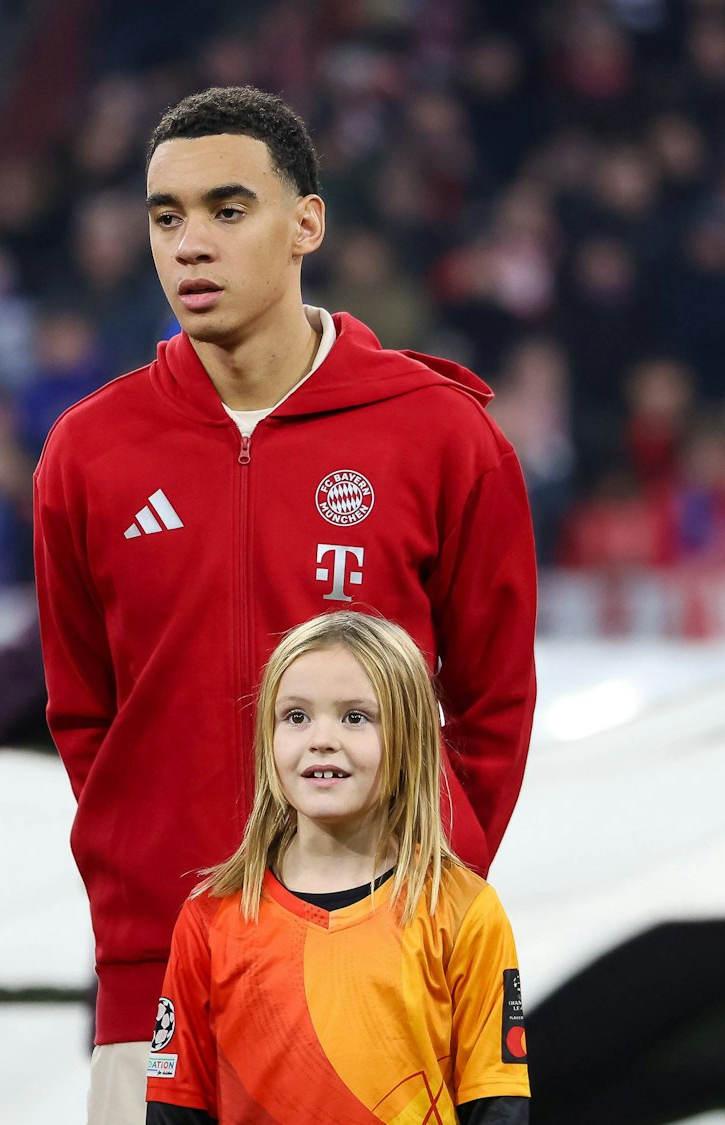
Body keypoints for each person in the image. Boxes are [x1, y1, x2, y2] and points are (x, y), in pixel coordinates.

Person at [35, 86, 538, 1122]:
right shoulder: (88, 450)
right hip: (155, 972)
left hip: (385, 963)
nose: (190, 244)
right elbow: (86, 714)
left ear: (306, 222)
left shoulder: (439, 435)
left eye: (227, 209)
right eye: (164, 217)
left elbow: (492, 705)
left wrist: (416, 887)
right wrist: (146, 867)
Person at [146, 611, 530, 1124]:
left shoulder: (464, 912)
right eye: (296, 716)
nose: (321, 739)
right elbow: (176, 1110)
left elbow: (497, 1106)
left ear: (408, 740)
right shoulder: (211, 917)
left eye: (355, 717)